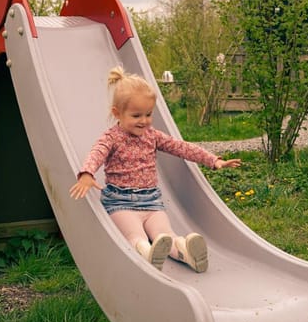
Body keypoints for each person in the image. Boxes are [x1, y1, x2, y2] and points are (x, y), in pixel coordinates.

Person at [70, 66, 242, 272]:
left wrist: (213, 160)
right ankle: (145, 251)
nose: (144, 121)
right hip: (121, 203)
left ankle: (186, 252)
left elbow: (182, 147)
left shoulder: (152, 135)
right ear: (117, 113)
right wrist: (87, 173)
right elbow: (97, 153)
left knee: (165, 235)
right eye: (136, 116)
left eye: (148, 114)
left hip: (151, 202)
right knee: (135, 235)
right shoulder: (111, 138)